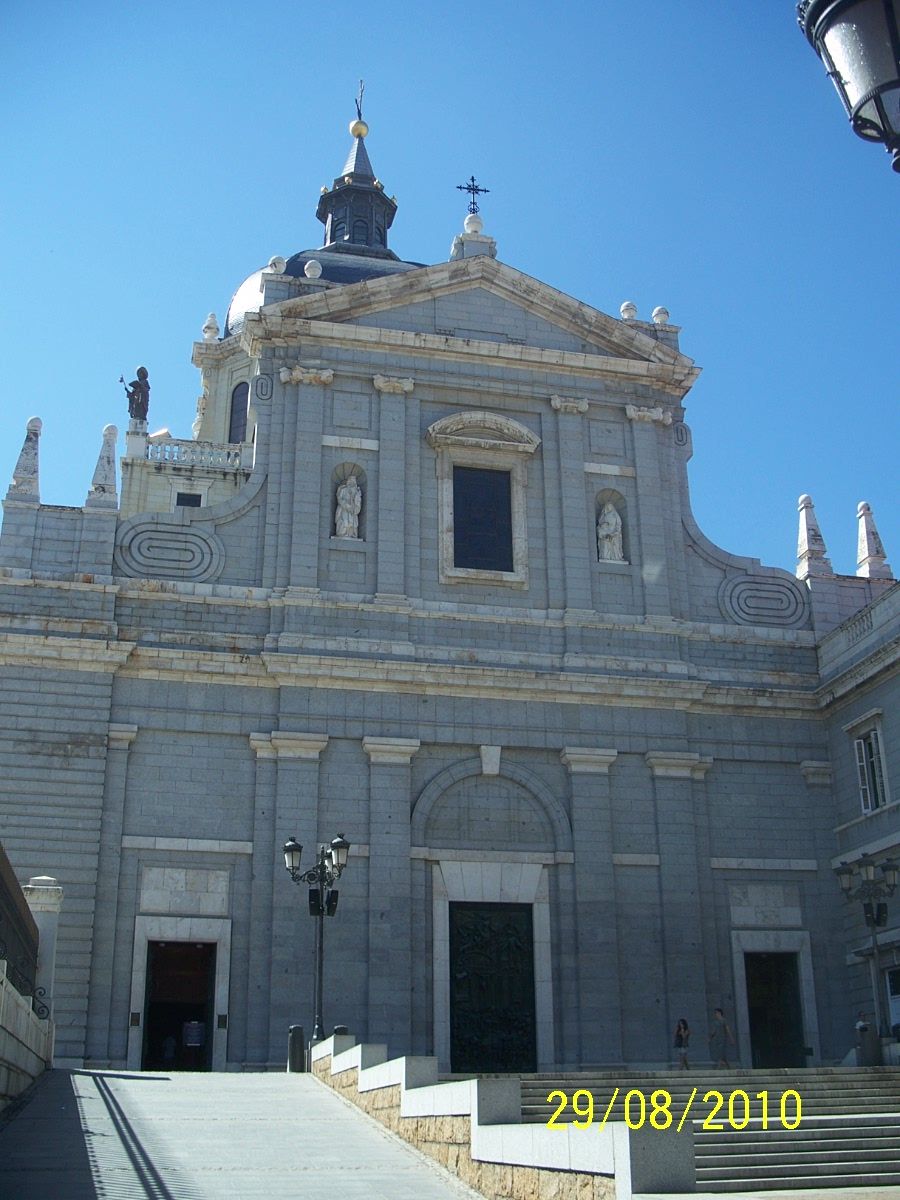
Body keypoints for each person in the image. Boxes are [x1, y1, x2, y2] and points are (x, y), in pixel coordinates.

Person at [335, 474, 362, 538]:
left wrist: (358, 497)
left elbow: (357, 502)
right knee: (344, 522)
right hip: (344, 509)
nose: (352, 483)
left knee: (352, 524)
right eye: (351, 481)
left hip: (352, 511)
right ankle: (343, 533)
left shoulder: (356, 492)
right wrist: (346, 505)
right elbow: (339, 499)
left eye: (353, 481)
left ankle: (351, 534)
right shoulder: (343, 489)